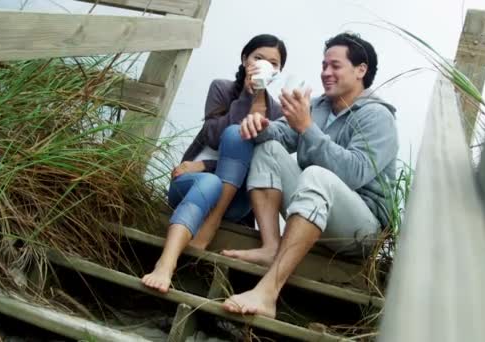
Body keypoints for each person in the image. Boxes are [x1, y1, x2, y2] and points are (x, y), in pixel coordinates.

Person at [221, 32, 399, 318]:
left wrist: (307, 127)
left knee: (318, 174)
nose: (326, 72)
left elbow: (353, 174)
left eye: (335, 66)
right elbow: (280, 134)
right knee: (268, 148)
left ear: (360, 70)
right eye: (324, 65)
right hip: (316, 211)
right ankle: (270, 245)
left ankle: (267, 293)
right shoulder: (317, 106)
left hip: (361, 231)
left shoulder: (378, 117)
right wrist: (260, 125)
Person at [141, 34, 287, 293]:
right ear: (245, 59)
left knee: (236, 142)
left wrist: (206, 166)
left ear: (278, 71)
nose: (264, 65)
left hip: (235, 202)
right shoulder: (222, 88)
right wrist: (246, 95)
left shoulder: (277, 113)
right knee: (231, 139)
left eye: (273, 64)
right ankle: (165, 264)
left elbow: (259, 165)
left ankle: (212, 221)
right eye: (258, 58)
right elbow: (214, 136)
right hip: (192, 184)